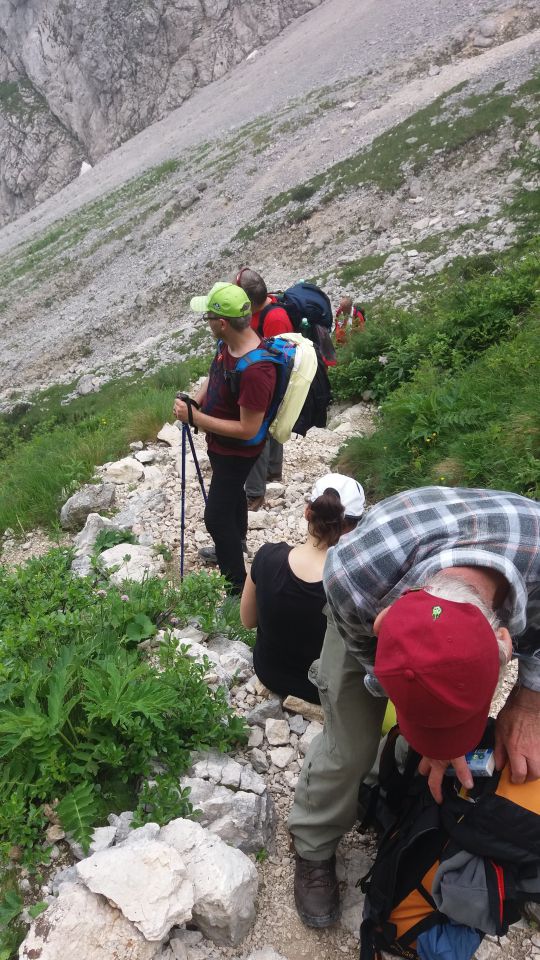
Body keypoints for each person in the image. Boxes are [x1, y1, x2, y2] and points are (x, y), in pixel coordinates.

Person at [288, 485, 540, 928]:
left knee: (410, 739)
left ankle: (387, 790)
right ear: (385, 619)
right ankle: (313, 843)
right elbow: (370, 660)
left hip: (487, 562)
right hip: (374, 609)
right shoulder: (353, 576)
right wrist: (413, 696)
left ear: (505, 641)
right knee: (349, 746)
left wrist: (529, 699)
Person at [173, 282, 276, 596]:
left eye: (208, 317)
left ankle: (237, 590)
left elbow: (248, 428)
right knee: (231, 498)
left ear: (222, 323)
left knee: (216, 518)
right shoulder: (227, 346)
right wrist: (197, 402)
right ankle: (237, 542)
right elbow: (214, 377)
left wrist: (196, 419)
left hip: (238, 452)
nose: (205, 321)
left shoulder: (258, 369)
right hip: (221, 446)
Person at [240, 474, 365, 703]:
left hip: (269, 673)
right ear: (354, 528)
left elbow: (247, 620)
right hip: (322, 690)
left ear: (307, 512)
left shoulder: (267, 556)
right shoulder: (354, 581)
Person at [235, 267, 294, 511]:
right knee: (268, 425)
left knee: (258, 429)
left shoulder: (275, 318)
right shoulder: (261, 314)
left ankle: (256, 493)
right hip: (266, 375)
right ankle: (272, 473)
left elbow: (277, 356)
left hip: (271, 378)